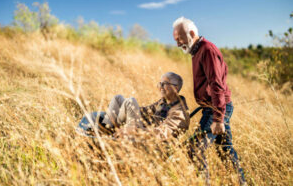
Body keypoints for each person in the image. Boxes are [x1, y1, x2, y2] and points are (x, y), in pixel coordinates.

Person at [172, 17, 246, 185]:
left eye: (179, 39)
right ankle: (242, 183)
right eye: (175, 40)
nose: (177, 44)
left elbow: (216, 85)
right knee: (225, 151)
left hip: (216, 108)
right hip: (212, 108)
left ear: (191, 33)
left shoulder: (207, 50)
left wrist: (218, 118)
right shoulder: (196, 52)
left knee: (194, 149)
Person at [101, 72, 190, 140]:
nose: (160, 87)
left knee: (130, 101)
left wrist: (135, 131)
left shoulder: (180, 112)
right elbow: (146, 110)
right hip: (141, 129)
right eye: (160, 83)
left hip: (147, 140)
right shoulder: (164, 101)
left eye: (164, 84)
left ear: (176, 88)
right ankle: (105, 130)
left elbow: (163, 133)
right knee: (118, 99)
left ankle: (110, 134)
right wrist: (124, 110)